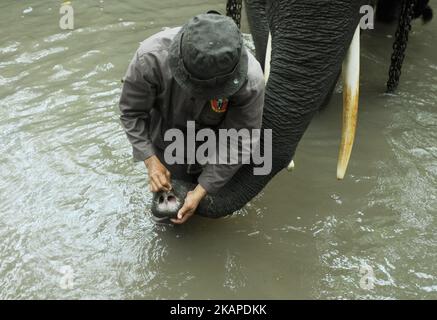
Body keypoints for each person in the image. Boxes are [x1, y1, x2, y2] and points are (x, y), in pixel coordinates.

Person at [119, 13, 265, 224]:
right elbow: (131, 113)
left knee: (215, 212)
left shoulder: (250, 81)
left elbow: (239, 141)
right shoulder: (150, 59)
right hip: (168, 141)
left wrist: (202, 190)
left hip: (217, 147)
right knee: (167, 213)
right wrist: (151, 161)